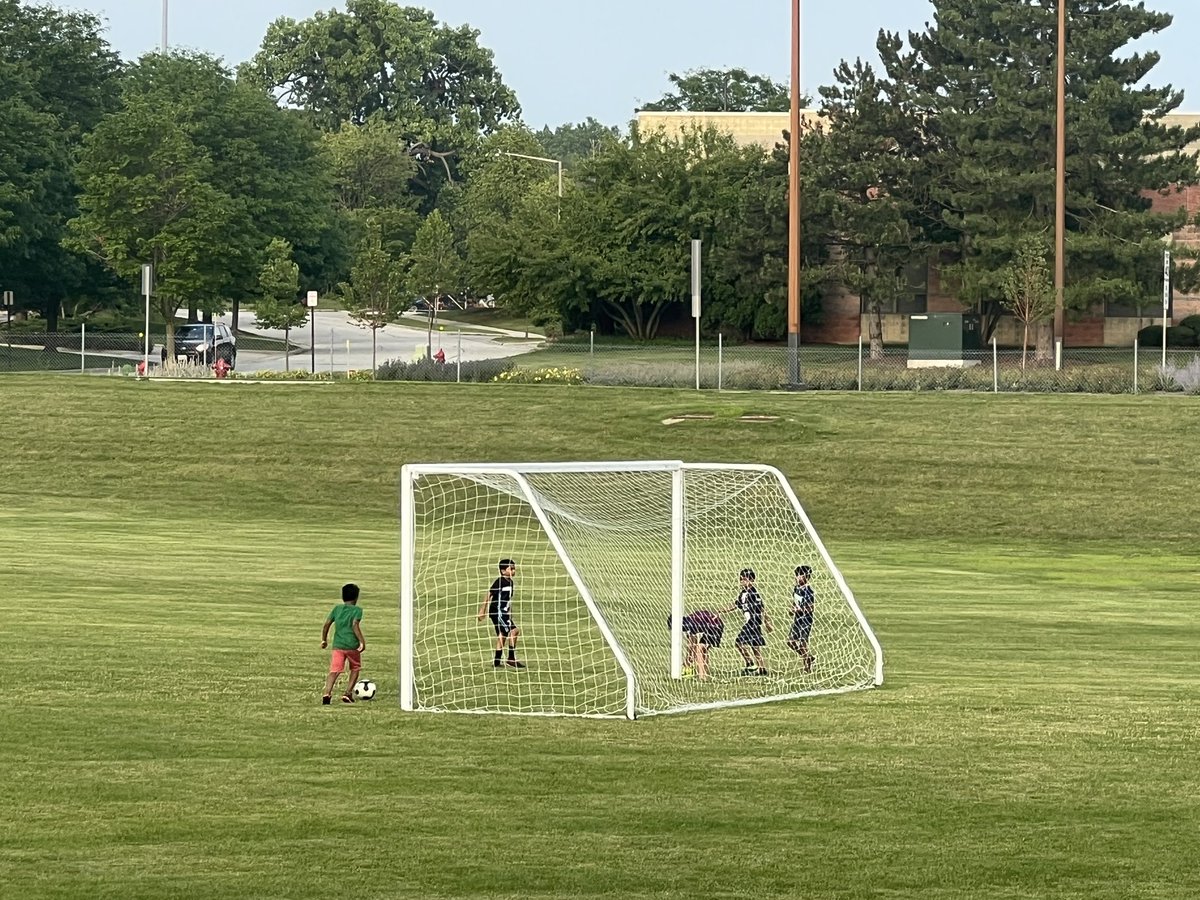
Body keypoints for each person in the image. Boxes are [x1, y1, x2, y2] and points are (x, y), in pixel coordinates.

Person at [720, 568, 772, 676]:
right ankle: (762, 668)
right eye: (741, 579)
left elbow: (762, 608)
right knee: (755, 647)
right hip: (752, 623)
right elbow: (736, 605)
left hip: (753, 622)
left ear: (752, 580)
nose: (743, 582)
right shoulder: (743, 593)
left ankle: (750, 664)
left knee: (739, 642)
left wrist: (767, 621)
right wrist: (722, 610)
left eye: (745, 579)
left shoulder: (753, 593)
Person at [321, 583, 366, 704]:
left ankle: (327, 693)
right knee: (355, 668)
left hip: (338, 646)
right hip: (352, 646)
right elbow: (355, 625)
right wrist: (362, 641)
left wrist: (324, 639)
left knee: (334, 670)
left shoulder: (337, 609)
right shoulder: (357, 610)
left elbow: (327, 624)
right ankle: (347, 693)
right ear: (356, 597)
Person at [476, 558, 525, 668]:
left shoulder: (510, 582)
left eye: (514, 569)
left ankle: (497, 662)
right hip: (497, 611)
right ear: (503, 571)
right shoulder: (499, 581)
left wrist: (509, 612)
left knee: (503, 634)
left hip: (503, 612)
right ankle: (511, 659)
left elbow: (507, 600)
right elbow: (489, 594)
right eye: (510, 569)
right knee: (514, 631)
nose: (513, 571)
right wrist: (482, 610)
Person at [668, 610, 724, 680]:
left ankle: (702, 676)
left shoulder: (690, 624)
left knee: (699, 649)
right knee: (703, 650)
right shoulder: (690, 620)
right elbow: (691, 646)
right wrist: (688, 659)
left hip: (715, 627)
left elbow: (692, 646)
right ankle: (704, 673)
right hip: (713, 626)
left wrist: (688, 662)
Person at [788, 565, 816, 673]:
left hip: (806, 620)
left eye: (800, 575)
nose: (797, 577)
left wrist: (799, 610)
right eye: (796, 575)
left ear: (806, 577)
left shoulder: (808, 591)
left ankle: (807, 668)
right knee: (790, 642)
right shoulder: (796, 589)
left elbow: (811, 607)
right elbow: (795, 602)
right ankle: (808, 657)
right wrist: (792, 609)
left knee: (803, 642)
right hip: (797, 619)